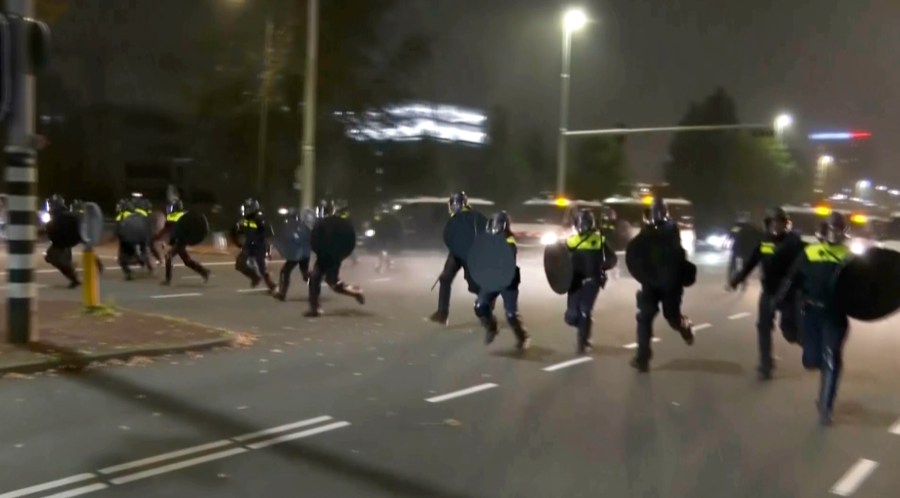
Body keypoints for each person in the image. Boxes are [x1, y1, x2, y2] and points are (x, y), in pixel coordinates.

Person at [776, 212, 852, 425]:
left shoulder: (849, 256)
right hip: (811, 314)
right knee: (811, 360)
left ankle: (826, 407)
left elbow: (861, 288)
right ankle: (821, 372)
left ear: (843, 232)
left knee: (832, 359)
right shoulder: (810, 251)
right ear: (824, 230)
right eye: (831, 229)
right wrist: (778, 300)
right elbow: (792, 277)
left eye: (838, 229)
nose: (835, 233)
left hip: (834, 316)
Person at [728, 207, 806, 379]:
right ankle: (766, 364)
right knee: (763, 327)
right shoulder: (764, 243)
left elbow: (806, 265)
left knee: (790, 332)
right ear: (768, 224)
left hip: (788, 295)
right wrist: (737, 279)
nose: (776, 226)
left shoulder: (794, 243)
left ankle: (809, 344)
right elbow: (751, 263)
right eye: (773, 223)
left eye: (779, 223)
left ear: (785, 224)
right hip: (769, 292)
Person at [631, 198, 695, 372]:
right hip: (651, 283)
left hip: (670, 284)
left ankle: (685, 326)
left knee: (672, 317)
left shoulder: (670, 230)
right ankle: (642, 358)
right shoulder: (647, 231)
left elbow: (674, 254)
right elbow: (636, 252)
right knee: (644, 317)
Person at [474, 211, 530, 350]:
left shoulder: (509, 241)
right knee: (480, 306)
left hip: (508, 282)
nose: (495, 228)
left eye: (497, 225)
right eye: (493, 225)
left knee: (511, 315)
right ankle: (492, 327)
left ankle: (522, 337)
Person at [564, 209, 617, 354]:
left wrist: (602, 267)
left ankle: (583, 341)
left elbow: (613, 258)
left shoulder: (599, 240)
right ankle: (583, 326)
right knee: (572, 316)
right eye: (582, 223)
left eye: (586, 223)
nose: (583, 226)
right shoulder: (570, 241)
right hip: (575, 281)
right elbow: (559, 260)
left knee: (584, 310)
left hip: (592, 281)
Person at [306, 199, 365, 317]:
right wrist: (317, 250)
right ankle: (314, 307)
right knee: (314, 278)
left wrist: (341, 255)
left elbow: (347, 240)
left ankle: (355, 292)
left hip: (333, 257)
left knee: (332, 281)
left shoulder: (341, 224)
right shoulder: (320, 224)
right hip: (323, 255)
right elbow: (314, 239)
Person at [429, 191, 479, 325]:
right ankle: (442, 313)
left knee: (474, 285)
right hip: (456, 254)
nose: (454, 206)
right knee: (445, 278)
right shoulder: (454, 218)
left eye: (456, 203)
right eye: (453, 203)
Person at [155, 199, 210, 285]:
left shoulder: (174, 216)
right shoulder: (184, 214)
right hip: (183, 239)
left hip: (180, 240)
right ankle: (204, 271)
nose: (170, 209)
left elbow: (166, 230)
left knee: (168, 256)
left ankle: (168, 280)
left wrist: (156, 237)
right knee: (186, 261)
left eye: (171, 207)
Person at [232, 197, 276, 292]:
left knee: (261, 267)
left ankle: (271, 285)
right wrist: (238, 242)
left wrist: (269, 249)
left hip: (259, 245)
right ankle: (255, 277)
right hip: (248, 245)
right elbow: (238, 231)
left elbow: (268, 234)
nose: (246, 210)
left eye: (248, 207)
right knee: (240, 264)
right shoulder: (244, 219)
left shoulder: (260, 218)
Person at [274, 208, 314, 301]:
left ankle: (282, 293)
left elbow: (288, 239)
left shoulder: (290, 226)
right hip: (304, 254)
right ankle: (314, 288)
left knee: (285, 271)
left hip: (296, 254)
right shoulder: (304, 226)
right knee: (305, 275)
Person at [43, 195, 81, 288]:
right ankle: (73, 277)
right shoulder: (58, 215)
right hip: (63, 242)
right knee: (52, 257)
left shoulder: (63, 216)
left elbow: (57, 230)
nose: (50, 207)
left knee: (53, 257)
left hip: (63, 242)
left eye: (51, 205)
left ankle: (73, 274)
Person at [114, 198, 151, 280]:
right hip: (142, 236)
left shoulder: (121, 216)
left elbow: (119, 231)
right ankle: (147, 265)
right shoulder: (138, 215)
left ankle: (128, 272)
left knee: (122, 258)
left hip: (128, 238)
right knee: (144, 250)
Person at [728, 211, 760, 292]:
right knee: (744, 267)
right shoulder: (752, 227)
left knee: (732, 265)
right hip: (747, 249)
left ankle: (733, 281)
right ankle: (743, 283)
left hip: (737, 248)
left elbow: (731, 235)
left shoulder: (736, 226)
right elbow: (758, 237)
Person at [370, 205, 404, 274]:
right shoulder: (380, 217)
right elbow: (374, 223)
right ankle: (388, 262)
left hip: (385, 235)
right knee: (382, 249)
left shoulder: (389, 217)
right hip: (380, 234)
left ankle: (381, 264)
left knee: (382, 249)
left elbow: (395, 224)